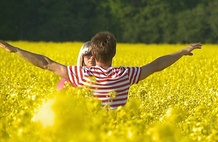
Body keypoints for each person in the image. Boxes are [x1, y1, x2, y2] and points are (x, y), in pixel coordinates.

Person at [0, 31, 202, 109]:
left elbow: (45, 63)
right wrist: (182, 51)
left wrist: (15, 49)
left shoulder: (81, 75)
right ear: (114, 53)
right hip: (120, 136)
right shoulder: (125, 75)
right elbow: (157, 65)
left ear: (93, 56)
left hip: (91, 139)